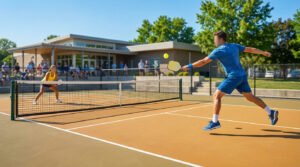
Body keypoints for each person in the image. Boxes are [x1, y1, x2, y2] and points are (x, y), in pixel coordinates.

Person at [182, 31, 278, 131]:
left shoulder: (218, 50)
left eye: (215, 39)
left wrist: (189, 66)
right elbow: (250, 49)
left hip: (233, 76)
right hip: (242, 75)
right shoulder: (234, 46)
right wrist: (263, 52)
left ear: (221, 39)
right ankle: (270, 112)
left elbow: (203, 62)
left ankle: (215, 122)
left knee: (216, 96)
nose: (214, 41)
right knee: (250, 97)